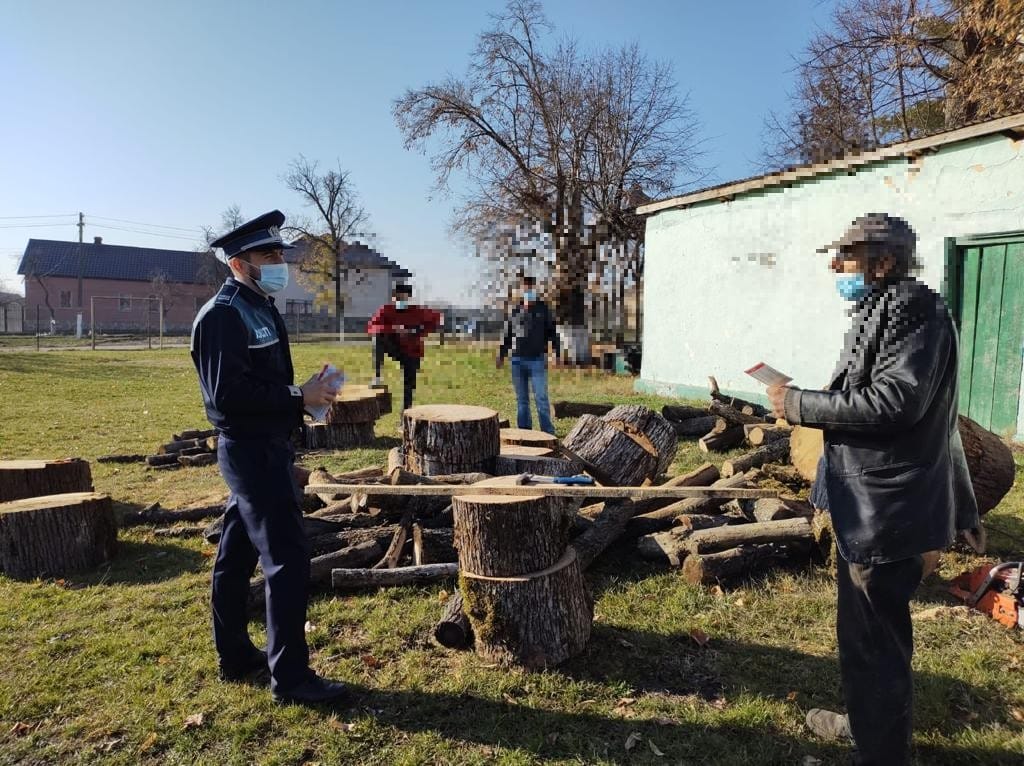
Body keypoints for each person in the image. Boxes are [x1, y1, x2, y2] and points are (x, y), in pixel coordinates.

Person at [766, 213, 981, 765]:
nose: (837, 269)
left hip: (886, 507)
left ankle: (880, 752)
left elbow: (896, 403)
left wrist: (799, 404)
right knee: (867, 634)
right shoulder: (885, 308)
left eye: (847, 259)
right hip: (874, 503)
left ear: (883, 261)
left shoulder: (913, 309)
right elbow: (924, 411)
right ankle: (868, 726)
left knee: (874, 640)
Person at [191, 210, 349, 705]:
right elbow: (228, 396)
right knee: (287, 560)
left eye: (280, 252)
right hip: (250, 452)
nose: (279, 261)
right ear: (239, 263)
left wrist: (307, 397)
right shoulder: (223, 314)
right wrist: (298, 396)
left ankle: (237, 655)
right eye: (268, 254)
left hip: (268, 447)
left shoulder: (260, 305)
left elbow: (263, 381)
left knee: (235, 556)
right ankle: (293, 679)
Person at [496, 275, 561, 434]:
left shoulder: (543, 309)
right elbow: (507, 335)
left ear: (535, 289)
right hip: (517, 361)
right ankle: (525, 432)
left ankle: (547, 432)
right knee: (522, 400)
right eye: (525, 287)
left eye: (530, 287)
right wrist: (501, 354)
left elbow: (553, 333)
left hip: (537, 360)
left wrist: (556, 353)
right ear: (521, 289)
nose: (528, 290)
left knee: (541, 398)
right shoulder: (515, 310)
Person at [367, 284, 441, 411]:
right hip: (395, 348)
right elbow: (371, 327)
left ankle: (406, 415)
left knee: (409, 386)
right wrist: (393, 329)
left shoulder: (418, 311)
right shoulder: (387, 310)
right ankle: (377, 377)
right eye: (397, 298)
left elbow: (437, 318)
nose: (400, 301)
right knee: (377, 337)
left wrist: (418, 331)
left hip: (412, 352)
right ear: (393, 298)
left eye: (403, 298)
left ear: (409, 298)